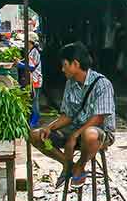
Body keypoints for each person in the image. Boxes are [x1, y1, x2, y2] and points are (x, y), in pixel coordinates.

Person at [30, 42, 115, 184]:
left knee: (90, 135)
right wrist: (49, 127)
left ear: (75, 64)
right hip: (75, 131)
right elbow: (67, 115)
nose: (62, 69)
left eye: (64, 65)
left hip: (99, 134)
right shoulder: (70, 83)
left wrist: (75, 135)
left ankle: (80, 165)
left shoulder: (102, 84)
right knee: (36, 135)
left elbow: (99, 118)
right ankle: (70, 165)